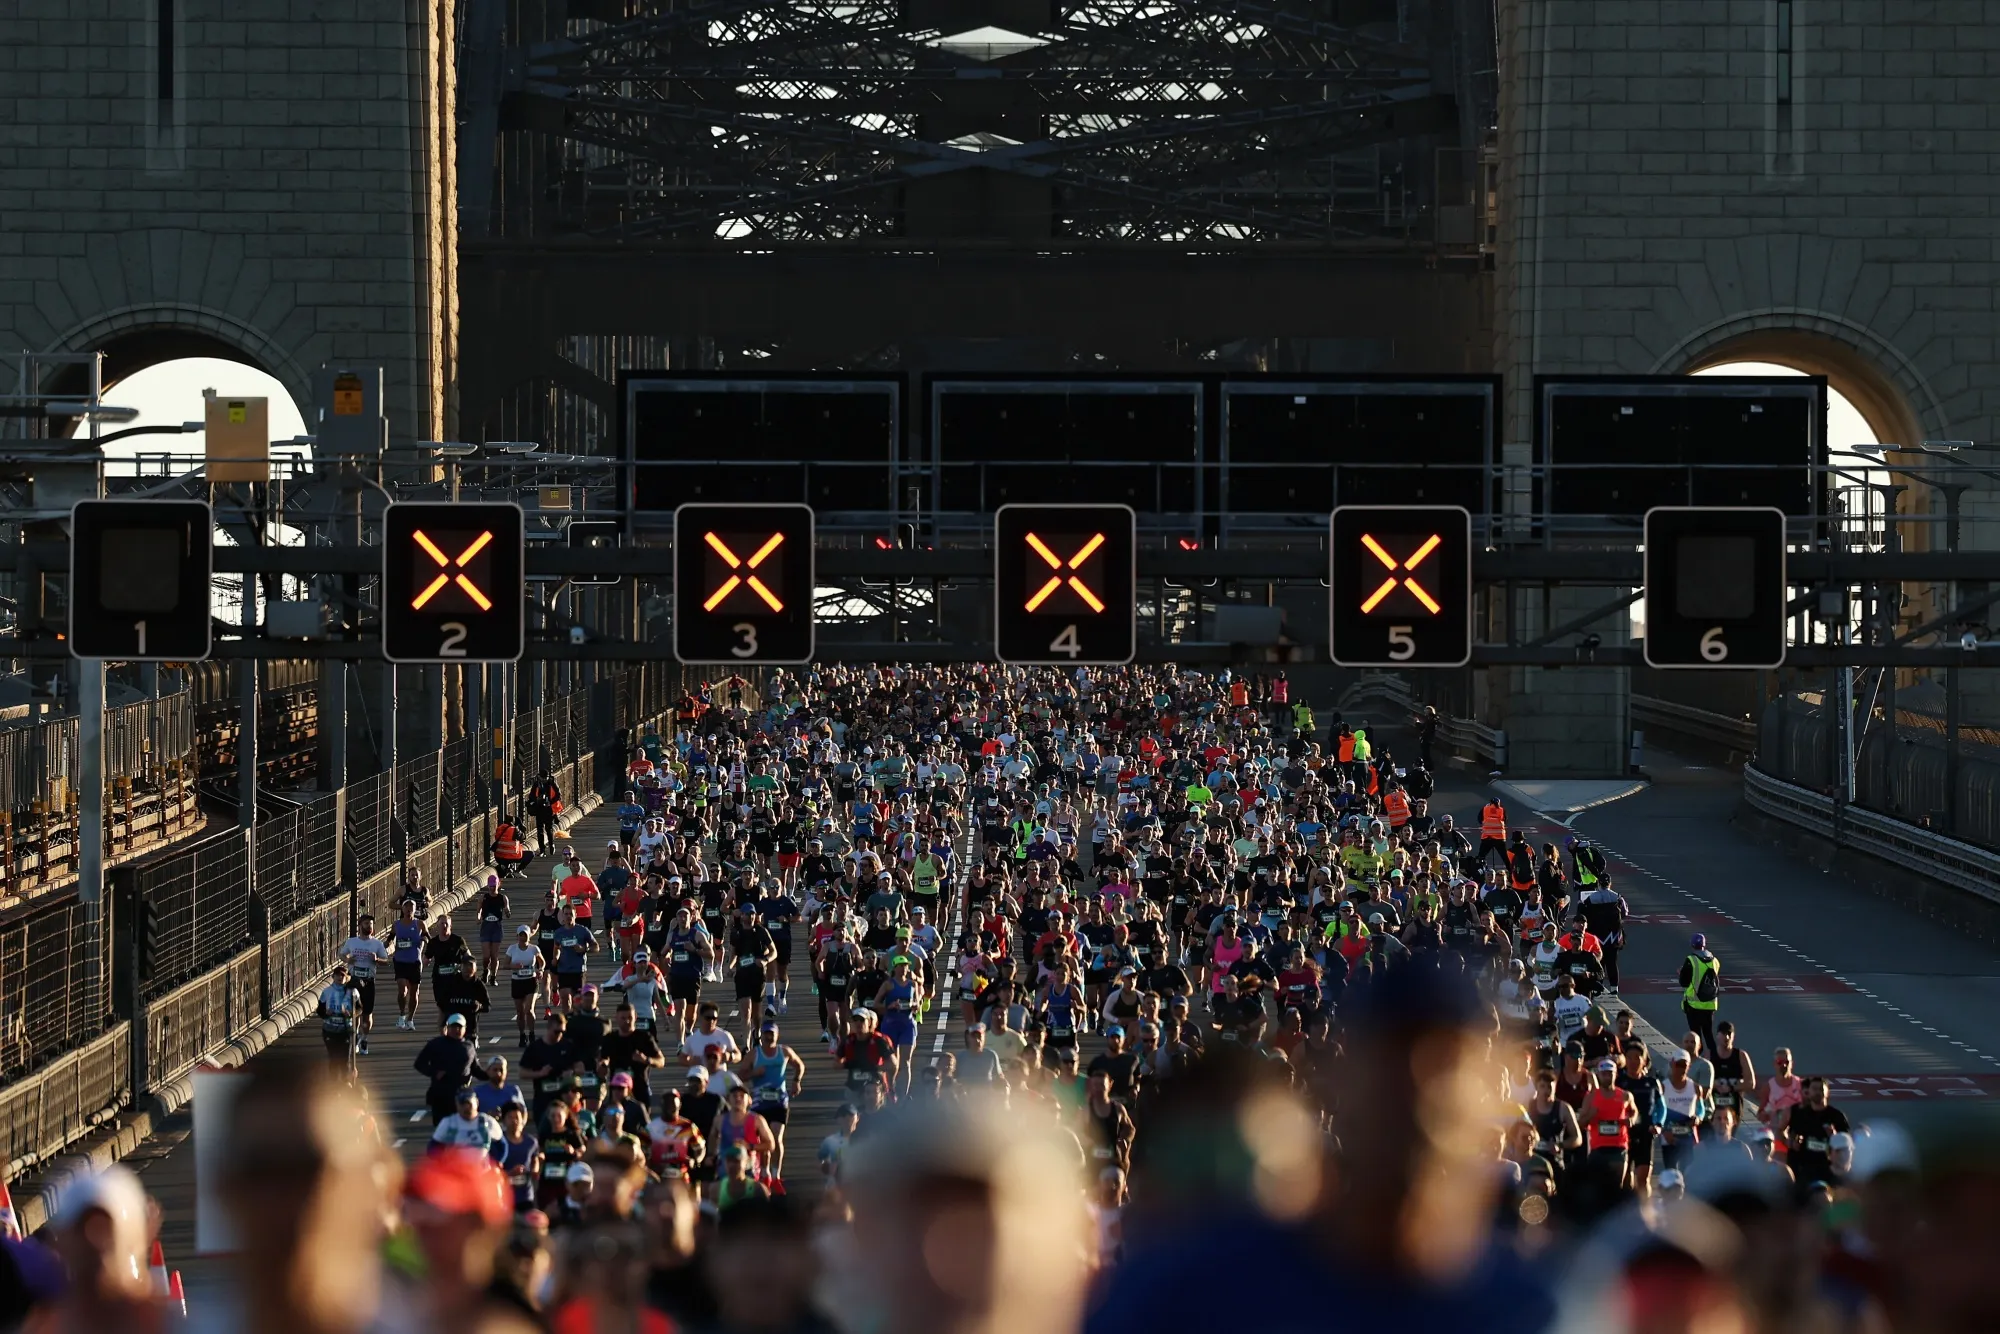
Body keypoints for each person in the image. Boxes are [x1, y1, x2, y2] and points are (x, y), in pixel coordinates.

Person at [337, 913, 391, 1056]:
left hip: (368, 982)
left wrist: (377, 959)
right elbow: (341, 954)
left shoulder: (377, 944)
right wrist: (348, 960)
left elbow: (386, 961)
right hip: (354, 980)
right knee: (354, 1014)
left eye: (371, 924)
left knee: (367, 1015)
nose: (369, 926)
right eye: (367, 924)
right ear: (360, 925)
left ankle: (364, 1038)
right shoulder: (352, 941)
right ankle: (355, 1039)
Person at [417, 1012, 481, 1124]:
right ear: (447, 1028)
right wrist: (435, 1072)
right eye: (453, 1027)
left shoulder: (468, 1047)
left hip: (461, 1096)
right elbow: (419, 1064)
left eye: (459, 1027)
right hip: (440, 1095)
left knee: (461, 1127)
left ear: (465, 1029)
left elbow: (475, 1069)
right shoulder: (435, 1044)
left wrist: (490, 1076)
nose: (457, 1030)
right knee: (442, 1128)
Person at [1678, 931, 1721, 1055]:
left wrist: (1681, 973)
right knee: (1708, 1034)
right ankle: (1715, 1059)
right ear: (1704, 945)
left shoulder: (1691, 960)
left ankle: (1696, 1057)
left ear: (1692, 945)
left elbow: (1684, 982)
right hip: (1710, 1003)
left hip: (1693, 1003)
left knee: (1695, 1034)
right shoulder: (1715, 960)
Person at [316, 962, 361, 1077]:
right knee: (333, 1058)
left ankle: (345, 1084)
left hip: (346, 1030)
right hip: (329, 1030)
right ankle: (334, 1085)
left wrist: (351, 1014)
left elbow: (360, 1009)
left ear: (347, 978)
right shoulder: (327, 992)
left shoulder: (352, 992)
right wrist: (326, 1014)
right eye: (337, 975)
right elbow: (319, 1011)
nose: (340, 977)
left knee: (344, 1059)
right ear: (333, 977)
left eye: (343, 975)